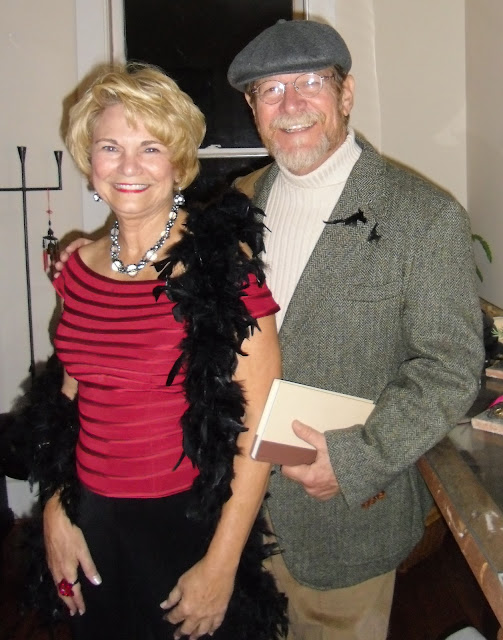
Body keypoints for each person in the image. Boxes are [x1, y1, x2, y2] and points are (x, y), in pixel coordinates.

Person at [225, 19, 485, 640]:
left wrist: (358, 459)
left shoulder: (425, 218)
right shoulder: (237, 204)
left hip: (343, 519)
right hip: (237, 517)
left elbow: (450, 367)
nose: (290, 103)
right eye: (270, 89)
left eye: (310, 82)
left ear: (346, 94)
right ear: (254, 110)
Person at [29, 63, 287, 640]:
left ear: (178, 162)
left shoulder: (222, 270)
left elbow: (261, 428)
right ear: (89, 159)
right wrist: (56, 505)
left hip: (186, 526)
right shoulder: (76, 269)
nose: (128, 167)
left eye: (150, 148)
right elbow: (67, 400)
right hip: (91, 520)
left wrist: (221, 565)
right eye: (110, 147)